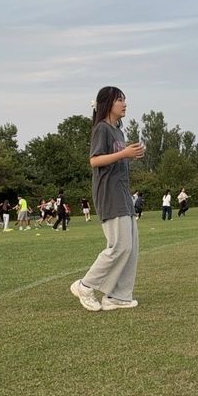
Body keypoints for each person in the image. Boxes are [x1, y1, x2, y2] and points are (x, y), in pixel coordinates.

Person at [70, 86, 144, 311]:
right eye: (120, 100)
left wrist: (131, 154)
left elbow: (116, 159)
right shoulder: (101, 128)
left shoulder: (118, 131)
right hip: (109, 195)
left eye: (124, 100)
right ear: (108, 103)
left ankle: (118, 296)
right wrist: (124, 153)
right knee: (119, 246)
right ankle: (85, 286)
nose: (124, 104)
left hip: (123, 194)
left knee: (131, 248)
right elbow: (95, 161)